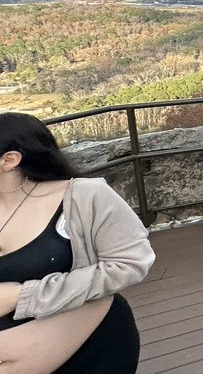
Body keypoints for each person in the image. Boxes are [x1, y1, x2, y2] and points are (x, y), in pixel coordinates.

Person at [0, 112, 153, 372]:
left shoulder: (84, 196)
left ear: (9, 160)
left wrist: (23, 296)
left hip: (92, 352)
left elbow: (131, 264)